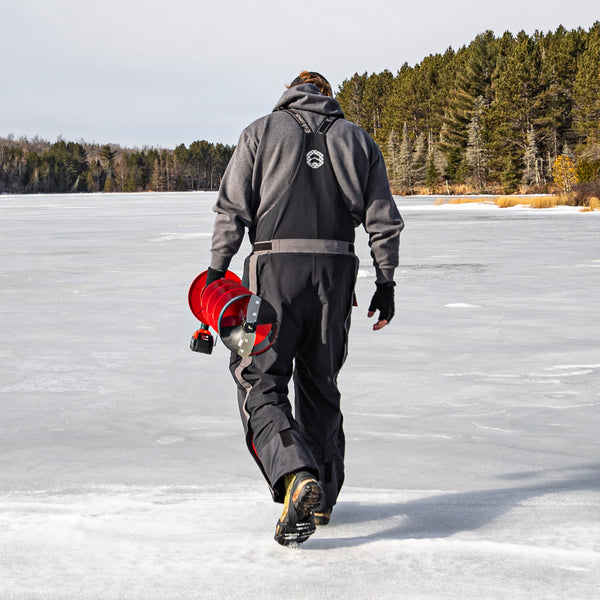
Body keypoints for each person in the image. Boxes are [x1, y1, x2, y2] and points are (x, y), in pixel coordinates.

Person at [205, 71, 404, 546]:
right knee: (321, 383)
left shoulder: (260, 132)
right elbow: (383, 221)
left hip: (273, 271)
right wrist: (385, 281)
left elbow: (232, 209)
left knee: (260, 379)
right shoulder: (357, 139)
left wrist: (216, 271)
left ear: (291, 91)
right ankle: (324, 499)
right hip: (335, 276)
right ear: (327, 96)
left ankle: (296, 475)